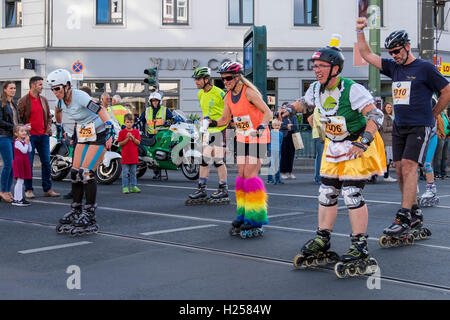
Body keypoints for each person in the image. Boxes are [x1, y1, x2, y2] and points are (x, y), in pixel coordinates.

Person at [291, 37, 385, 277]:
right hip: (334, 146)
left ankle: (359, 245)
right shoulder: (315, 88)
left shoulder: (352, 89)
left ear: (335, 69)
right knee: (327, 192)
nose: (316, 70)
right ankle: (323, 238)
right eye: (315, 66)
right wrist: (289, 109)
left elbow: (376, 114)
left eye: (321, 65)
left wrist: (363, 141)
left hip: (357, 144)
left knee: (352, 194)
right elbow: (304, 103)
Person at [356, 18, 450, 239]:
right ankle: (414, 210)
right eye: (391, 52)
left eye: (397, 51)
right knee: (399, 170)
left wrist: (433, 114)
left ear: (407, 47)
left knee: (409, 166)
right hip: (400, 126)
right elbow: (368, 55)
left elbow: (447, 91)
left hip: (420, 125)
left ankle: (405, 214)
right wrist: (359, 31)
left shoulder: (425, 68)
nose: (394, 55)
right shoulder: (394, 67)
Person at [207, 61, 272, 238]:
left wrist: (261, 126)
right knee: (241, 176)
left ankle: (255, 219)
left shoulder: (249, 92)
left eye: (228, 78)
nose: (225, 82)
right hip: (242, 137)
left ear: (237, 78)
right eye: (222, 79)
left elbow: (268, 112)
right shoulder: (228, 97)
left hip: (258, 137)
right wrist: (211, 123)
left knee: (250, 176)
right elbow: (224, 120)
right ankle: (243, 214)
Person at [48, 69, 114, 236]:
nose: (55, 92)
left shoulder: (80, 97)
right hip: (83, 134)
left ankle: (90, 215)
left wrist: (110, 128)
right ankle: (77, 210)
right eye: (53, 89)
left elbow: (101, 110)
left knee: (86, 173)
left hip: (99, 133)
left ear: (67, 85)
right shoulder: (61, 102)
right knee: (75, 173)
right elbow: (57, 112)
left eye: (58, 88)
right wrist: (60, 126)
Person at [186, 67, 229, 204]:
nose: (196, 82)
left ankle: (223, 189)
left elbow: (229, 111)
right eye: (195, 79)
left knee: (218, 160)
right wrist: (202, 120)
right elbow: (206, 111)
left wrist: (216, 122)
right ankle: (202, 189)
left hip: (219, 129)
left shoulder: (220, 93)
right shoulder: (200, 94)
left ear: (206, 79)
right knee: (203, 160)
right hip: (206, 131)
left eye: (198, 79)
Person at [17, 76, 60, 199]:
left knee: (46, 163)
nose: (42, 87)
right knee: (28, 164)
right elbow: (19, 119)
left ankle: (48, 189)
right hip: (29, 137)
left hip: (43, 136)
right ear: (33, 85)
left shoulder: (44, 100)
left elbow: (48, 117)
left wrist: (47, 129)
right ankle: (29, 189)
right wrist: (24, 130)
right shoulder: (23, 100)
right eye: (40, 84)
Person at [140, 91, 174, 180]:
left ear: (159, 101)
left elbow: (172, 118)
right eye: (153, 101)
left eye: (156, 101)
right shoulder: (147, 111)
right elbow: (141, 121)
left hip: (162, 135)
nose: (155, 102)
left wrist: (171, 121)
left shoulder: (165, 110)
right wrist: (141, 131)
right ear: (150, 102)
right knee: (153, 155)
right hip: (151, 135)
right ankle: (157, 172)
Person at [0, 81, 19, 203]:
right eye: (11, 88)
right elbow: (0, 122)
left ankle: (7, 190)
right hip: (3, 136)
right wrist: (13, 127)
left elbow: (17, 120)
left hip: (13, 136)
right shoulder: (1, 103)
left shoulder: (13, 103)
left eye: (14, 88)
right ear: (5, 89)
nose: (13, 90)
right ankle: (2, 191)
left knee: (13, 165)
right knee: (8, 164)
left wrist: (22, 128)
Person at [118, 113, 141, 194]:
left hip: (134, 156)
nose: (129, 124)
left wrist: (133, 138)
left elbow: (138, 143)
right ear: (124, 122)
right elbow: (120, 144)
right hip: (125, 157)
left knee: (133, 173)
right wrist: (127, 138)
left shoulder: (136, 132)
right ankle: (125, 187)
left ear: (133, 122)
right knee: (125, 173)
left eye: (131, 122)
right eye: (127, 122)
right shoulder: (122, 132)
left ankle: (133, 186)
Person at [12, 125, 32, 206]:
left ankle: (16, 199)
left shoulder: (24, 141)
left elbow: (30, 150)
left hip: (24, 161)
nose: (24, 132)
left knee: (21, 181)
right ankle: (19, 199)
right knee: (20, 181)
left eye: (25, 131)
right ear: (16, 133)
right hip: (19, 162)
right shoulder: (17, 142)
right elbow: (24, 151)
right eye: (22, 131)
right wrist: (26, 143)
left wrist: (28, 142)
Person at [280, 105, 299, 180]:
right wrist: (286, 126)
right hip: (284, 137)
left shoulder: (294, 117)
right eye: (285, 110)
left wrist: (289, 126)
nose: (286, 111)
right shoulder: (281, 117)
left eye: (287, 110)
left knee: (291, 155)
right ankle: (283, 172)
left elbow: (296, 127)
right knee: (284, 154)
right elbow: (280, 126)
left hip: (292, 137)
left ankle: (290, 172)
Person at [308, 106, 325, 185]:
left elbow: (310, 119)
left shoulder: (318, 107)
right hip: (321, 134)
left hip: (319, 134)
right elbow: (319, 123)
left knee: (320, 157)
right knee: (320, 157)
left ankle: (319, 177)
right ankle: (318, 178)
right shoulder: (319, 107)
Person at [380, 102, 396, 182]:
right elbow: (385, 128)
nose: (389, 108)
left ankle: (386, 176)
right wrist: (395, 127)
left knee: (388, 159)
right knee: (387, 159)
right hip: (386, 140)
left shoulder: (391, 117)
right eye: (388, 107)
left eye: (390, 107)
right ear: (384, 108)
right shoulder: (384, 117)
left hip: (391, 140)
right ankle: (386, 176)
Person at [434, 108, 449, 179]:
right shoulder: (437, 114)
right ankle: (437, 172)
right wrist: (437, 134)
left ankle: (444, 173)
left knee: (445, 156)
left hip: (447, 136)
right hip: (440, 137)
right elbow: (435, 125)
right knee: (438, 156)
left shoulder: (445, 115)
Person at [267, 118, 283, 185]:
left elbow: (281, 142)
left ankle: (278, 179)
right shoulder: (270, 133)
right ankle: (270, 179)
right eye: (276, 125)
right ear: (273, 126)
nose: (277, 127)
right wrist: (267, 150)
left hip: (278, 151)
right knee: (271, 165)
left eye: (278, 125)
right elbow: (268, 142)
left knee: (277, 165)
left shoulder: (281, 134)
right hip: (271, 150)